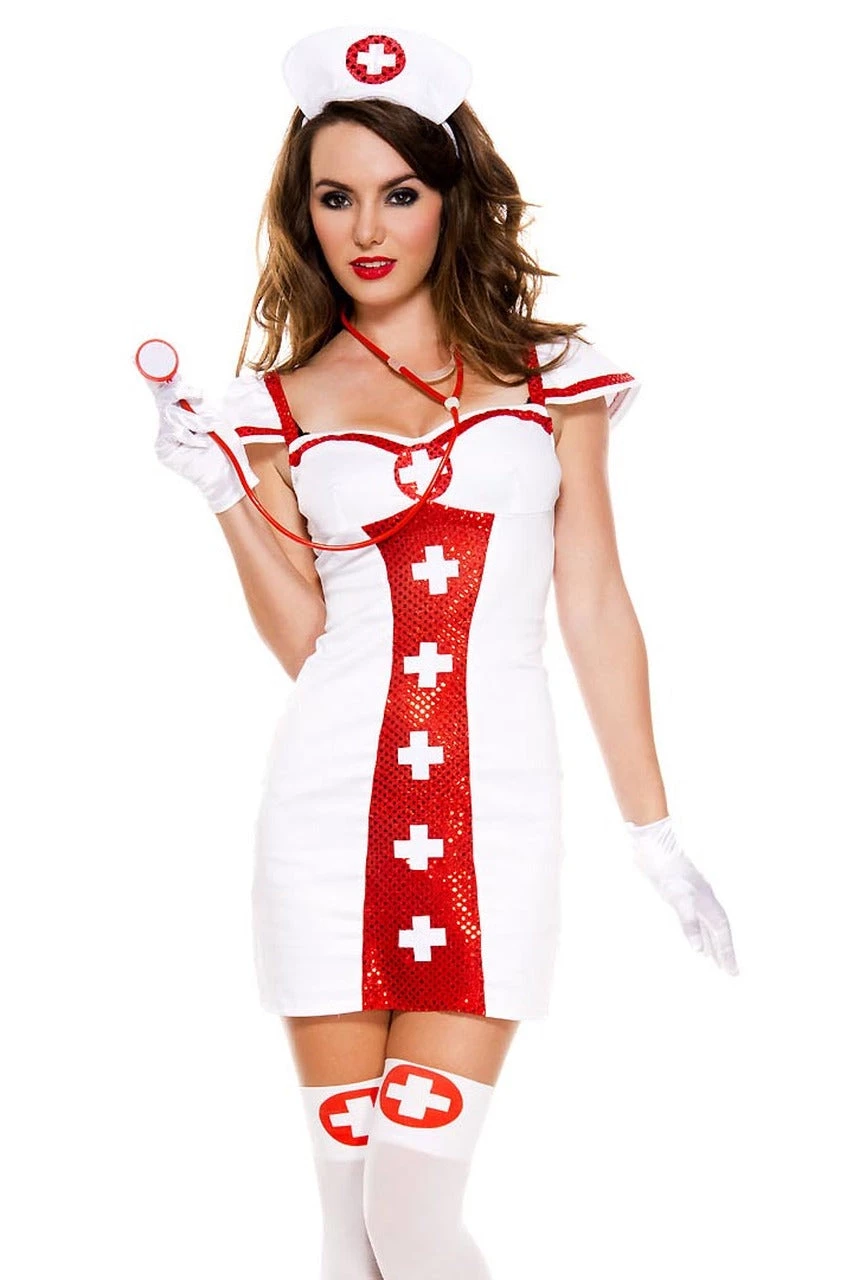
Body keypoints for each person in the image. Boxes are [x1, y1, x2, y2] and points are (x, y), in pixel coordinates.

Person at [146, 24, 739, 1280]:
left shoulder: (549, 378)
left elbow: (595, 602)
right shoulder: (277, 406)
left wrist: (654, 832)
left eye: (400, 192)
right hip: (326, 814)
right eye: (336, 197)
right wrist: (223, 491)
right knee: (345, 1224)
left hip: (495, 814)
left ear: (451, 196)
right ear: (302, 213)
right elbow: (311, 640)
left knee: (411, 1211)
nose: (368, 227)